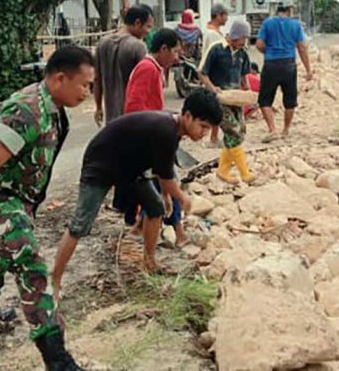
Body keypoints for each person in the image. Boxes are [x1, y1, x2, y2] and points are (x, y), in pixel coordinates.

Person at [0, 46, 95, 370]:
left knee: (5, 254)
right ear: (60, 78)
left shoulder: (54, 107)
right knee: (29, 261)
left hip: (16, 198)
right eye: (85, 85)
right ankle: (58, 360)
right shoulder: (27, 111)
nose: (88, 92)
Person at [52, 89, 223, 299]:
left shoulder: (174, 130)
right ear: (187, 116)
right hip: (101, 165)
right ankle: (55, 281)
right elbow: (167, 176)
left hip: (130, 167)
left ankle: (149, 262)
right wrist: (183, 199)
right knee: (80, 225)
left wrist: (167, 195)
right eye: (203, 126)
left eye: (208, 129)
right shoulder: (166, 130)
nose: (203, 133)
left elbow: (164, 166)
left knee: (156, 208)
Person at [124, 28, 188, 247]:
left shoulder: (152, 67)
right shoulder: (148, 69)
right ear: (163, 49)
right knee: (169, 181)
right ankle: (178, 232)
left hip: (150, 132)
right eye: (176, 52)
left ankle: (140, 226)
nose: (177, 57)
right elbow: (134, 106)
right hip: (148, 136)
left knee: (157, 186)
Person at [199, 20, 255, 185]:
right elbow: (202, 72)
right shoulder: (216, 49)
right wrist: (212, 88)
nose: (245, 42)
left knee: (240, 131)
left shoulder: (242, 53)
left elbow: (244, 77)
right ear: (236, 36)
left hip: (236, 99)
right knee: (233, 131)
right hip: (219, 99)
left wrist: (249, 94)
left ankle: (223, 171)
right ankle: (244, 173)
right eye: (244, 38)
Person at [255, 0, 312, 143]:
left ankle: (272, 129)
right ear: (289, 9)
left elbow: (259, 45)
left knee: (265, 99)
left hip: (271, 65)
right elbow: (302, 47)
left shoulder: (268, 23)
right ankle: (285, 130)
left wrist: (268, 51)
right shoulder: (295, 25)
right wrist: (308, 69)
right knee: (290, 99)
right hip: (289, 65)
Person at [93, 4, 153, 126]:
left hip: (112, 119)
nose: (148, 32)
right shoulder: (138, 46)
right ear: (137, 23)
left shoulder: (102, 43)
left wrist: (98, 107)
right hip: (134, 117)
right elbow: (148, 82)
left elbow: (96, 79)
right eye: (148, 27)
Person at [201, 3, 229, 149]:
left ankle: (214, 137)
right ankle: (213, 137)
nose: (227, 18)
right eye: (225, 15)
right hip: (214, 74)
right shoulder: (212, 35)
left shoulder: (213, 32)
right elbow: (215, 56)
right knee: (216, 107)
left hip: (214, 73)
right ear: (218, 16)